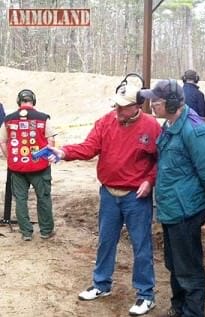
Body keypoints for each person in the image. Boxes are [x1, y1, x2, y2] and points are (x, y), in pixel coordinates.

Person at [49, 82, 161, 316]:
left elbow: (161, 159)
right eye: (116, 106)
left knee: (141, 246)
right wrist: (64, 152)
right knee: (106, 241)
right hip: (109, 193)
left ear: (137, 106)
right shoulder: (106, 121)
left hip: (136, 196)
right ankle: (101, 284)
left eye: (123, 107)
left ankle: (145, 294)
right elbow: (89, 147)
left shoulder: (151, 126)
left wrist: (149, 180)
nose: (117, 111)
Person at [141, 79, 205, 317]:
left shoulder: (193, 130)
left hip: (186, 210)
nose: (152, 104)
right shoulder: (170, 124)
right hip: (171, 208)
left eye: (157, 101)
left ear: (173, 103)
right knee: (174, 264)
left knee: (189, 269)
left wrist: (197, 202)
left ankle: (192, 313)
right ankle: (179, 308)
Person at [0, 89, 55, 241]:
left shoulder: (8, 119)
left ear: (19, 101)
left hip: (17, 168)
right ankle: (46, 231)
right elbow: (50, 141)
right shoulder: (44, 118)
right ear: (34, 101)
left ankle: (26, 233)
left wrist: (10, 158)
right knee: (43, 197)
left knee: (20, 199)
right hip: (40, 167)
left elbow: (2, 142)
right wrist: (47, 157)